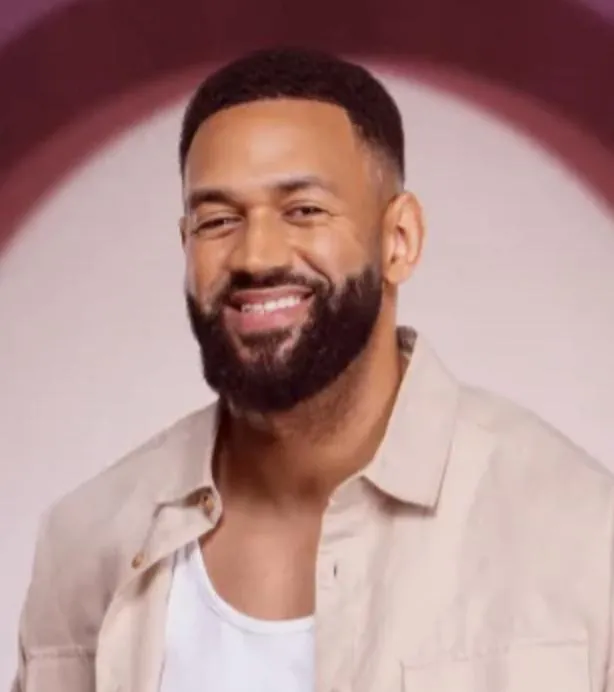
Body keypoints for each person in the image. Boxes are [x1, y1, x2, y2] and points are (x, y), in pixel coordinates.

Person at [12, 46, 614, 692]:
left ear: (399, 239)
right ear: (185, 245)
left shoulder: (579, 534)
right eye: (218, 220)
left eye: (304, 210)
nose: (256, 255)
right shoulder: (86, 545)